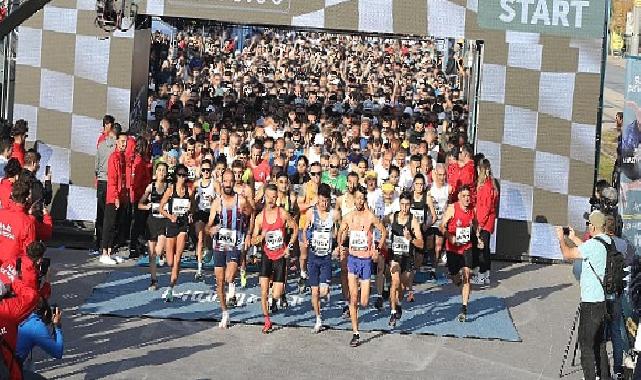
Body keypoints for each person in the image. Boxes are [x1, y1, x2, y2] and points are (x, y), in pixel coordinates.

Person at [556, 211, 610, 380]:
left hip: (590, 304)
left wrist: (561, 238)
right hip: (604, 303)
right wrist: (573, 237)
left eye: (588, 224)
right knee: (599, 345)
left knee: (586, 347)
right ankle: (605, 377)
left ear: (593, 226)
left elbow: (568, 254)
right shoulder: (607, 242)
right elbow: (587, 251)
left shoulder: (593, 245)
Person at [337, 185, 386, 347]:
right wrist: (341, 246)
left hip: (365, 261)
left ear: (364, 199)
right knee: (353, 298)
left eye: (361, 198)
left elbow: (383, 231)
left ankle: (364, 293)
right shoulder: (349, 216)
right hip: (352, 259)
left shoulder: (370, 216)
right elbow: (340, 231)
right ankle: (355, 333)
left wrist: (377, 249)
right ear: (354, 199)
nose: (359, 201)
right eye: (356, 198)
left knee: (364, 301)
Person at [251, 184, 298, 334]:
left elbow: (295, 228)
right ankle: (267, 321)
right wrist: (261, 237)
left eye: (273, 197)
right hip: (266, 256)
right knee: (263, 292)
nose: (271, 200)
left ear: (277, 197)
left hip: (279, 256)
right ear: (264, 196)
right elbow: (253, 240)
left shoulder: (282, 213)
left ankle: (276, 294)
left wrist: (289, 247)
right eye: (268, 196)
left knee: (276, 294)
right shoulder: (260, 217)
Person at [208, 169, 252, 328]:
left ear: (234, 182)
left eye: (230, 181)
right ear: (222, 182)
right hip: (219, 244)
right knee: (219, 282)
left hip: (235, 242)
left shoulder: (241, 200)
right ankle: (225, 313)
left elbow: (251, 214)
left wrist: (248, 234)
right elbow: (208, 225)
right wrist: (210, 229)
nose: (227, 184)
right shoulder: (216, 202)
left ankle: (232, 286)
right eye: (225, 181)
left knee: (229, 277)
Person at [16, 243, 63, 367]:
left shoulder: (20, 262)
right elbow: (58, 353)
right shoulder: (37, 327)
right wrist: (57, 327)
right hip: (9, 368)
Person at [301, 183, 339, 333]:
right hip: (313, 256)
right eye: (321, 200)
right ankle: (318, 319)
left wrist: (337, 244)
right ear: (318, 199)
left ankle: (326, 291)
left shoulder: (334, 214)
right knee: (314, 292)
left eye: (326, 201)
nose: (324, 204)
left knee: (323, 292)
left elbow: (340, 231)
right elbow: (304, 230)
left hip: (326, 258)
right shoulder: (311, 213)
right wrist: (305, 239)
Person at [159, 164, 195, 302]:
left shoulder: (189, 191)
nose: (181, 178)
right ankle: (166, 259)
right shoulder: (170, 190)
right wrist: (170, 216)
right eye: (179, 175)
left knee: (178, 256)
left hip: (183, 224)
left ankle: (171, 285)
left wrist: (191, 214)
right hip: (172, 223)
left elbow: (192, 207)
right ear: (176, 176)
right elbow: (161, 208)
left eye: (184, 176)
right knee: (170, 260)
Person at [388, 191, 423, 327]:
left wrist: (411, 239)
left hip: (407, 257)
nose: (404, 208)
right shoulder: (393, 217)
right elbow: (381, 222)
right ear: (399, 204)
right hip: (395, 256)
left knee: (401, 286)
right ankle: (392, 312)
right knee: (395, 282)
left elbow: (421, 243)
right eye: (402, 204)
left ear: (411, 205)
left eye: (407, 205)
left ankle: (399, 303)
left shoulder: (413, 221)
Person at [440, 185, 475, 322]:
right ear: (459, 197)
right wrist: (450, 237)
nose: (467, 199)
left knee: (467, 275)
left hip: (467, 247)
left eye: (468, 196)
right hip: (452, 249)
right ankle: (460, 284)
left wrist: (478, 237)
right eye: (464, 196)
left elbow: (476, 224)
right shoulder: (452, 208)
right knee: (455, 277)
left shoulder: (472, 210)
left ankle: (464, 307)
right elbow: (442, 226)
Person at [138, 162, 169, 290]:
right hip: (152, 222)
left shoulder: (169, 187)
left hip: (163, 221)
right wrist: (147, 206)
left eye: (163, 170)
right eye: (159, 170)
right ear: (156, 173)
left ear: (166, 173)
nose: (161, 172)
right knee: (151, 254)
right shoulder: (151, 187)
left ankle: (162, 255)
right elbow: (140, 204)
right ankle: (153, 280)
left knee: (159, 250)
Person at [100, 132, 128, 265]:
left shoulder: (122, 157)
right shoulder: (114, 157)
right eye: (122, 141)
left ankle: (111, 251)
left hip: (120, 194)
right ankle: (104, 252)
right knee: (109, 224)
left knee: (116, 224)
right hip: (112, 196)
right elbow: (112, 179)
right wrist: (116, 196)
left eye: (125, 141)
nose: (124, 144)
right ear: (117, 142)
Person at [472, 159, 498, 286]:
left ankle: (482, 275)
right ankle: (486, 274)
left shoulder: (486, 187)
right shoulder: (491, 185)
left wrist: (480, 225)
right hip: (488, 221)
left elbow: (486, 207)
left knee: (481, 249)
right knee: (485, 249)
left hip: (484, 221)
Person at [94, 121, 117, 255]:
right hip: (110, 182)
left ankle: (98, 243)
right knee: (110, 216)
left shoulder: (101, 145)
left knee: (100, 213)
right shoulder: (115, 148)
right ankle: (107, 245)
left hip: (101, 181)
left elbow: (96, 166)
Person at [194, 159, 215, 280]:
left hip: (211, 213)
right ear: (201, 171)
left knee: (208, 237)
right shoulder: (197, 184)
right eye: (204, 170)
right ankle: (199, 269)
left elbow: (221, 197)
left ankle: (209, 250)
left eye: (208, 170)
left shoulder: (214, 183)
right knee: (200, 237)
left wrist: (214, 200)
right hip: (201, 212)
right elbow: (191, 198)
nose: (206, 172)